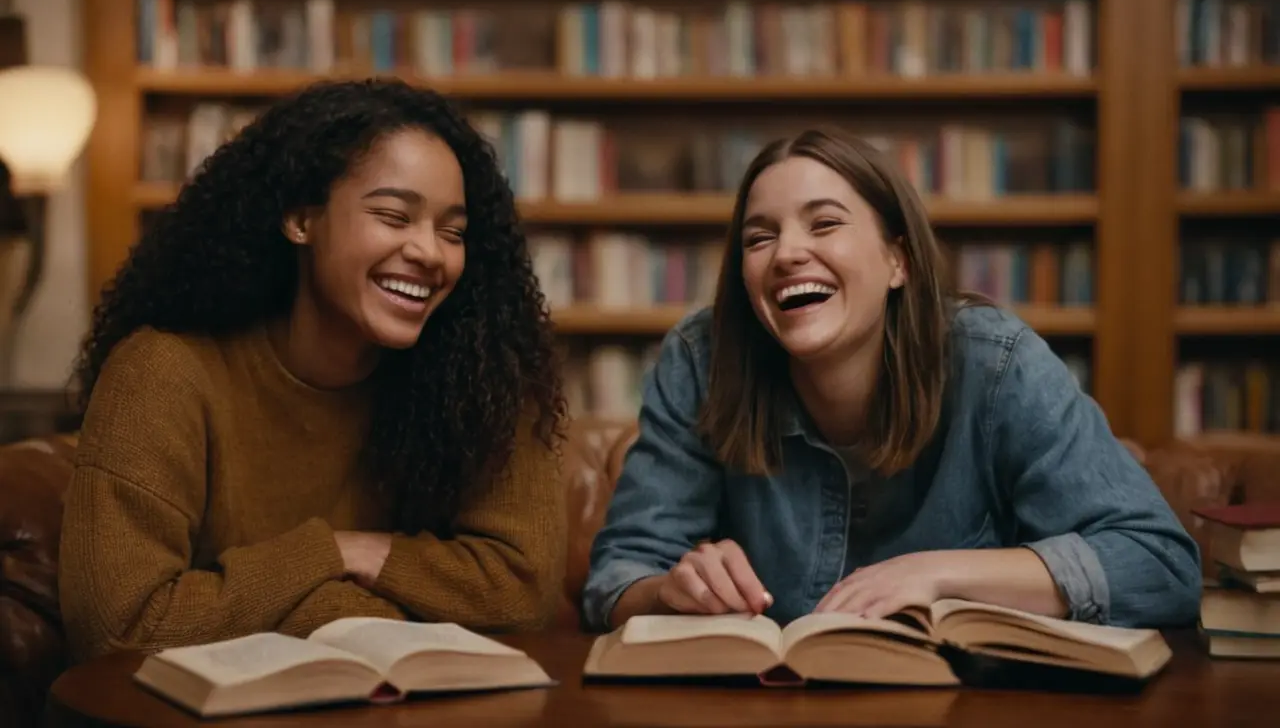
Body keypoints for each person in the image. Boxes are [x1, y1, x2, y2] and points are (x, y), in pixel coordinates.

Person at [582, 127, 1201, 633]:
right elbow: (618, 577)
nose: (787, 253)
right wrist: (674, 593)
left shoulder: (997, 363)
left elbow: (1160, 564)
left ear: (897, 260)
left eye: (824, 225)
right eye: (759, 237)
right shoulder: (702, 359)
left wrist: (935, 575)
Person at [58, 78, 567, 663]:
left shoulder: (483, 375)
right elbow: (118, 628)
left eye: (453, 232)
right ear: (301, 219)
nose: (430, 252)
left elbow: (521, 594)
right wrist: (325, 561)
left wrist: (364, 554)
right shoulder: (163, 373)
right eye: (394, 215)